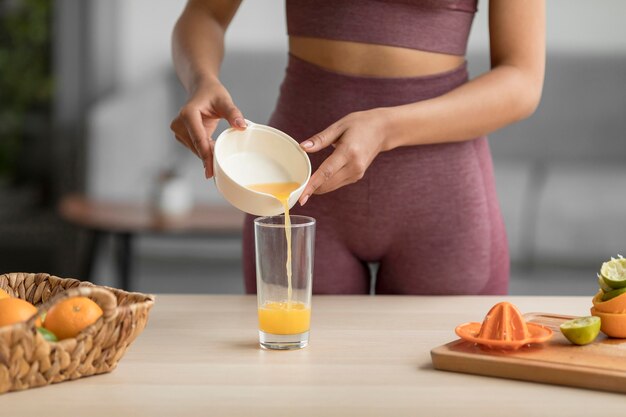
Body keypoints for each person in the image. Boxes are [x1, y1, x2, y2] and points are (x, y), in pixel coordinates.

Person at [170, 0, 545, 295]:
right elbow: (205, 13)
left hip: (439, 194)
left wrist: (386, 127)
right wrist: (201, 79)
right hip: (296, 181)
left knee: (447, 388)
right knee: (290, 383)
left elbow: (522, 81)